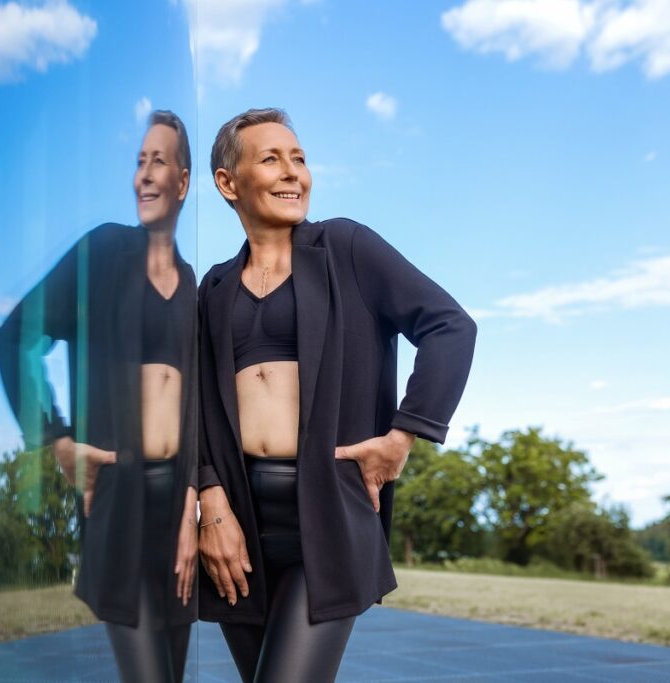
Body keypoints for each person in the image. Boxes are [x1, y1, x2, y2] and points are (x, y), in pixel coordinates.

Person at [196, 108, 477, 682]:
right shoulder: (215, 287)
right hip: (238, 523)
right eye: (271, 158)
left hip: (326, 513)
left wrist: (403, 436)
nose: (292, 172)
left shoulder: (346, 247)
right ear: (228, 182)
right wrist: (210, 502)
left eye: (298, 158)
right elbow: (198, 403)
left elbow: (451, 326)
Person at [0, 110, 198, 683]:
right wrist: (56, 439)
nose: (144, 175)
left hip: (179, 513)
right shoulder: (104, 252)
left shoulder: (196, 290)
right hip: (117, 500)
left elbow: (204, 410)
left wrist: (195, 504)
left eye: (159, 161)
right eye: (139, 162)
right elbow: (15, 335)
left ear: (183, 182)